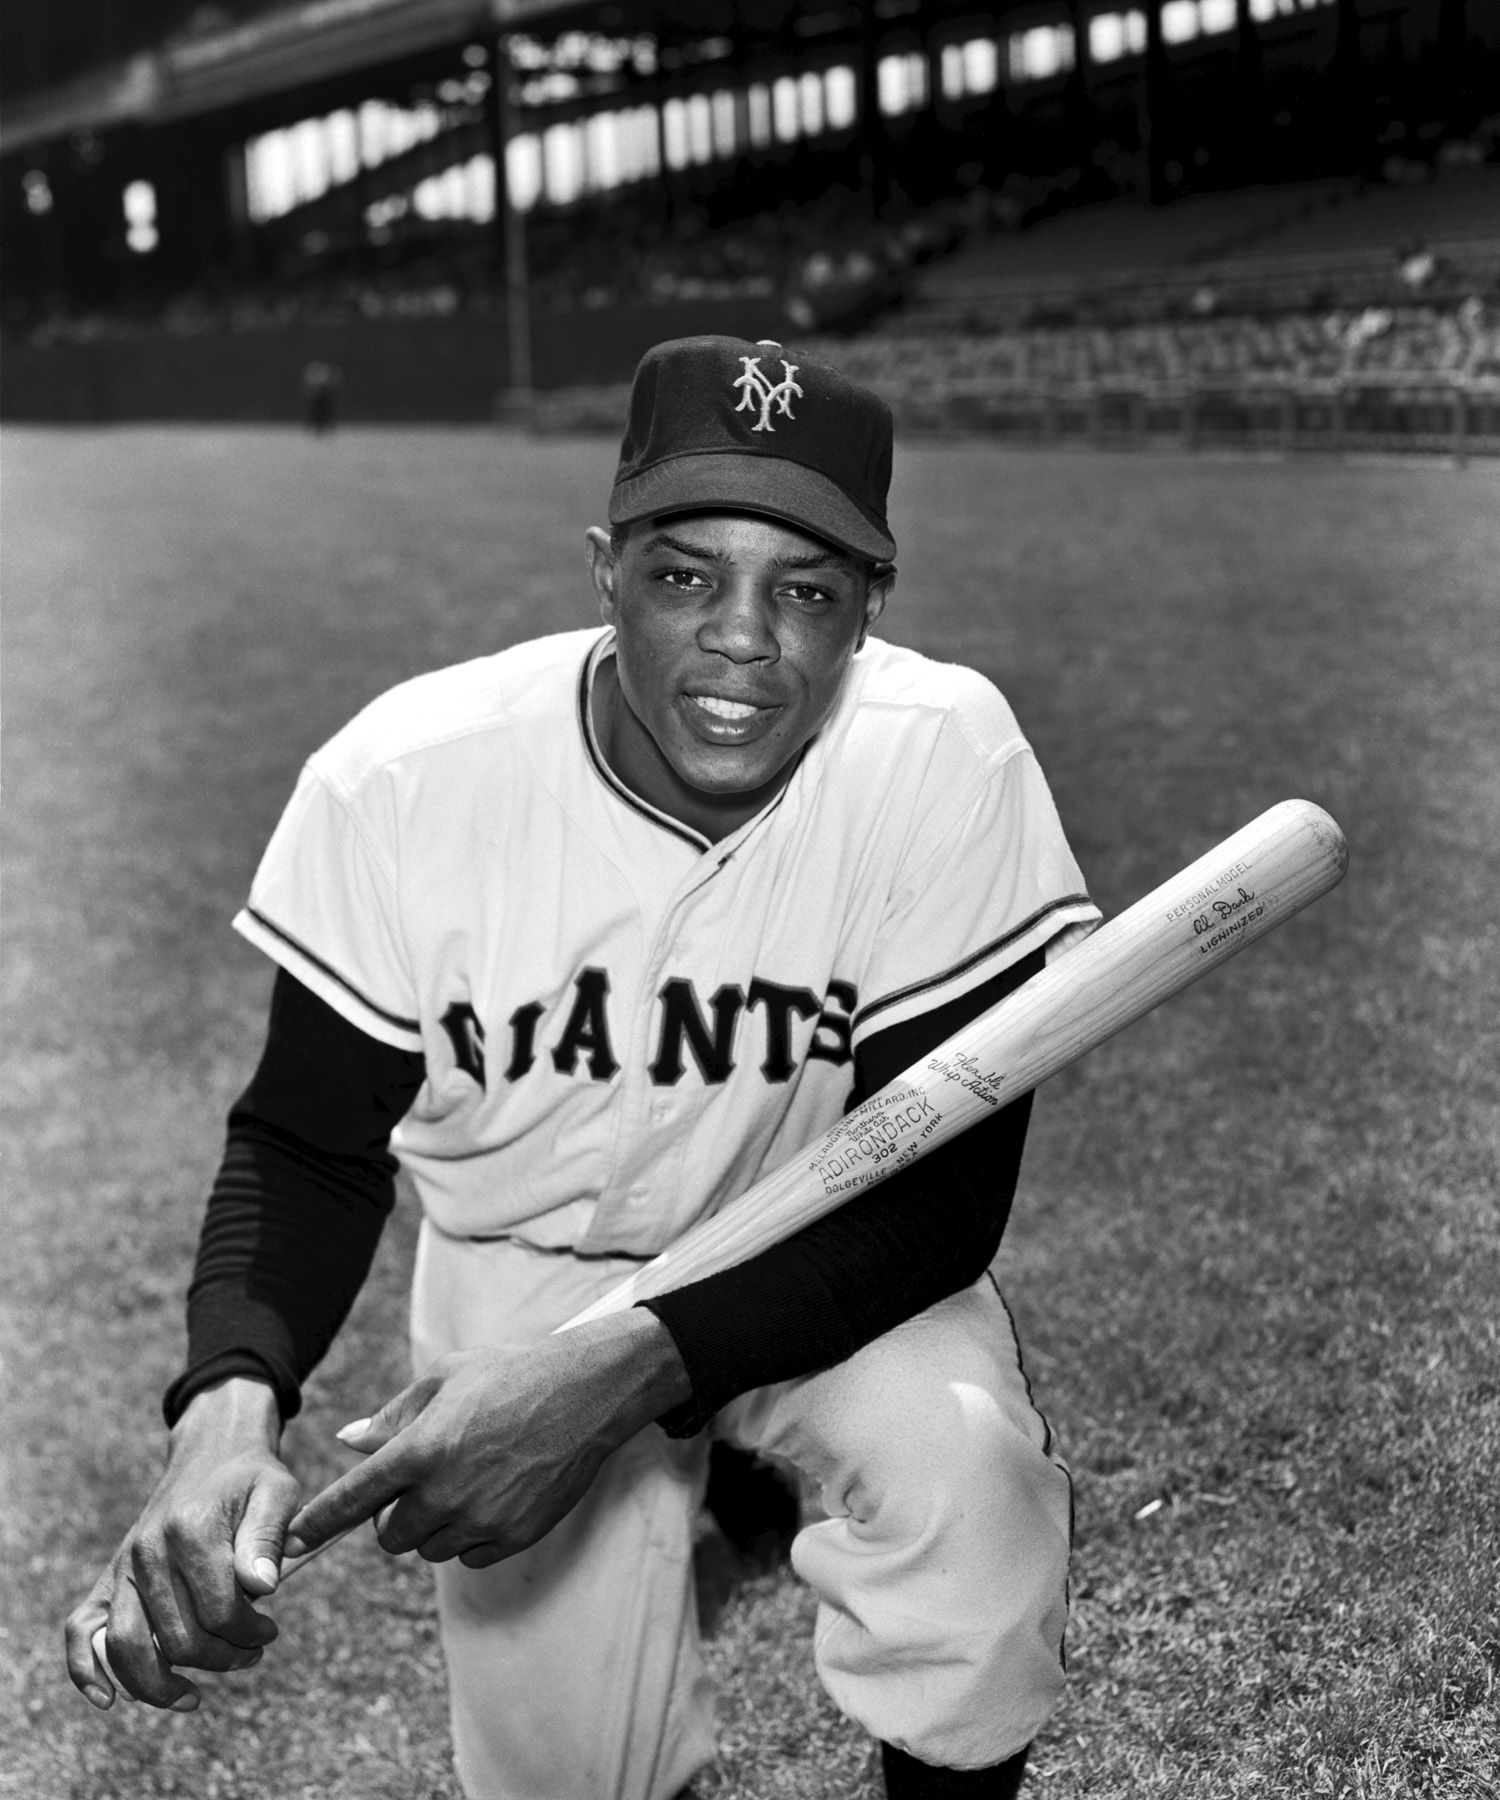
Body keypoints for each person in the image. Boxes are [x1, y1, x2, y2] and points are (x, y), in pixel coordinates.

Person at [65, 335, 1100, 1799]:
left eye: (806, 591)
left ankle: (731, 1485)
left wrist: (627, 1375)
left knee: (971, 1487)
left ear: (872, 608)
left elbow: (939, 1201)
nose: (743, 637)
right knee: (571, 1781)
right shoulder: (406, 781)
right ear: (604, 570)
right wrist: (225, 1414)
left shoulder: (944, 758)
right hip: (519, 1273)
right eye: (685, 575)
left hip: (822, 1248)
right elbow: (307, 1144)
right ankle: (722, 1505)